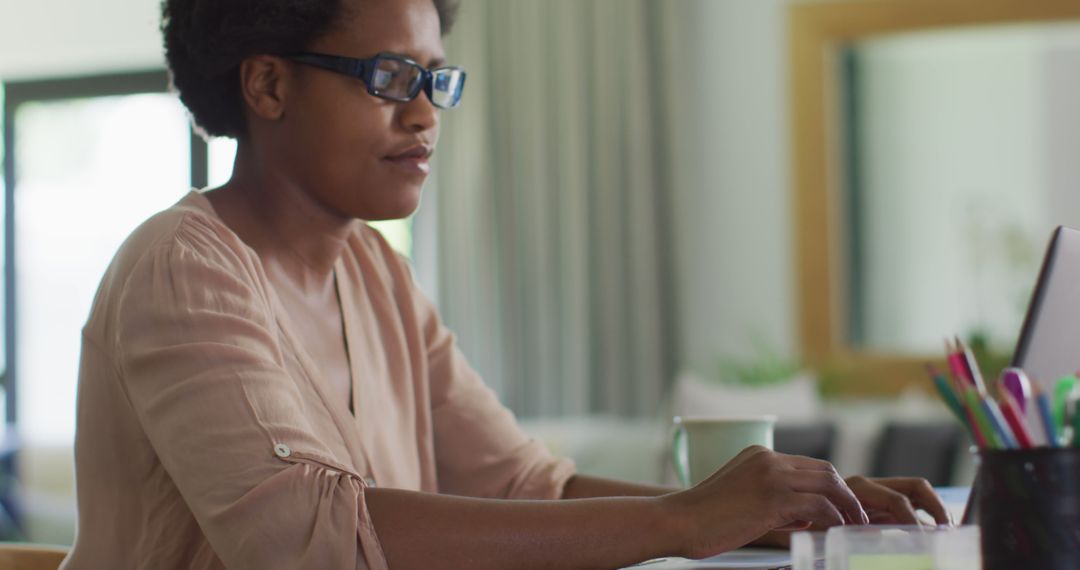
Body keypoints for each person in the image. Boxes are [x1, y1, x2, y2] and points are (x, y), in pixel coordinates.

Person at [61, 0, 949, 568]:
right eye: (389, 80)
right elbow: (309, 542)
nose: (424, 115)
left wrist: (782, 515)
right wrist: (682, 518)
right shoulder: (185, 266)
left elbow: (526, 488)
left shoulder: (375, 274)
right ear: (267, 84)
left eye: (434, 82)